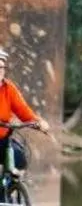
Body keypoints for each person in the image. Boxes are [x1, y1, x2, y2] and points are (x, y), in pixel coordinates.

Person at [0, 46, 51, 179]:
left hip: (3, 139)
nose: (0, 71)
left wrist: (38, 122)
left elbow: (23, 111)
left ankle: (10, 190)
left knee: (19, 157)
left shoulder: (8, 88)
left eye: (2, 67)